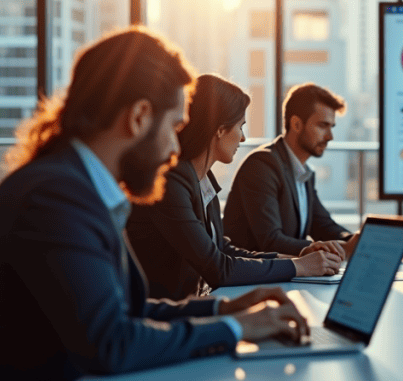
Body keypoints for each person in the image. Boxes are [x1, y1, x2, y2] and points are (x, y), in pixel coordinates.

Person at [0, 28, 309, 381]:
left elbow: (129, 312)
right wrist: (235, 328)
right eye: (173, 127)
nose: (172, 150)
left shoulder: (78, 187)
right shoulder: (58, 198)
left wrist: (224, 308)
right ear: (139, 116)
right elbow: (112, 343)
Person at [127, 74, 346, 302]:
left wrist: (297, 257)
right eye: (240, 126)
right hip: (163, 316)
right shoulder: (171, 181)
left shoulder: (202, 177)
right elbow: (218, 267)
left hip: (193, 305)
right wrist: (298, 266)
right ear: (220, 129)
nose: (243, 138)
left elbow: (222, 248)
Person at [223, 83, 357, 255]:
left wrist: (353, 240)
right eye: (323, 126)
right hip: (252, 277)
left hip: (286, 276)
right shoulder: (261, 165)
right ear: (296, 124)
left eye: (331, 127)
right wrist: (339, 249)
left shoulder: (304, 173)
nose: (330, 137)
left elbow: (323, 225)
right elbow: (270, 241)